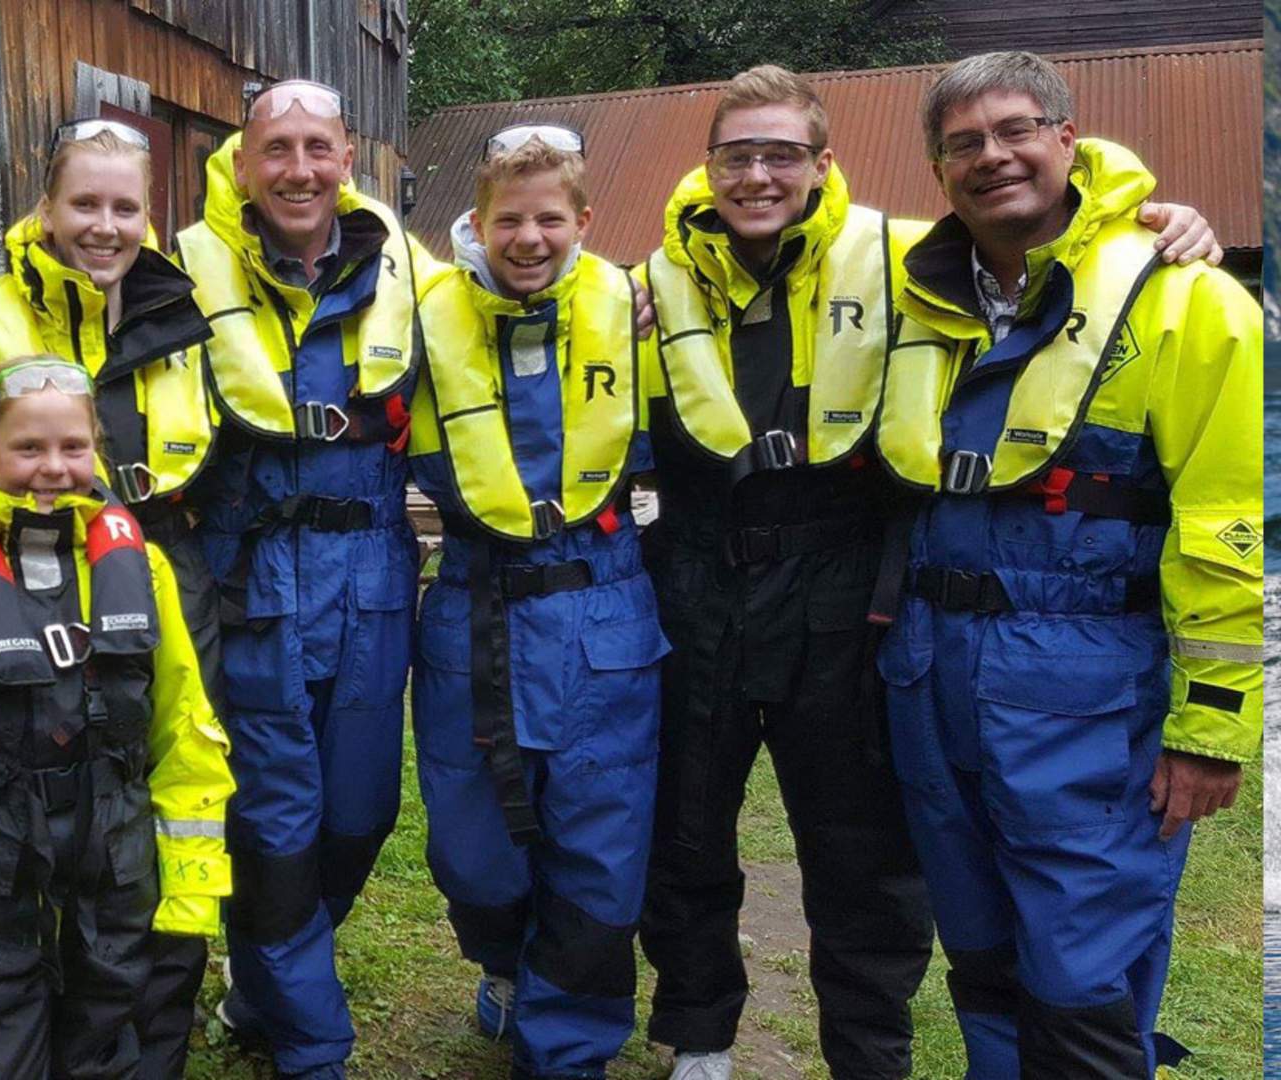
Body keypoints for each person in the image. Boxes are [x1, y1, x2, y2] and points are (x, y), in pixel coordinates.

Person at [632, 65, 1223, 1080]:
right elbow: (520, 284)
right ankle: (700, 1040)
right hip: (698, 584)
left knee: (865, 860)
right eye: (739, 155)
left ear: (825, 165)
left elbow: (1039, 232)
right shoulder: (645, 286)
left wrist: (1162, 216)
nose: (761, 175)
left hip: (848, 592)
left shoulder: (908, 259)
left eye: (784, 154)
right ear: (711, 168)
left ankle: (871, 1059)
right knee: (683, 837)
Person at [868, 51, 1260, 1077]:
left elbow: (1226, 524)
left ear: (1068, 141)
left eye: (1015, 130)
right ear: (938, 171)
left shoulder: (1186, 301)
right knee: (985, 962)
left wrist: (1212, 727)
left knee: (1083, 983)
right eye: (963, 144)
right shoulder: (915, 300)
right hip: (933, 685)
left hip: (1090, 698)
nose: (991, 157)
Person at [0, 356, 234, 1078]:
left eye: (72, 447)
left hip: (117, 880)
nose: (52, 468)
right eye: (28, 448)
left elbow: (185, 733)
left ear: (98, 450)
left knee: (110, 1051)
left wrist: (190, 894)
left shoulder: (145, 571)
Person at [171, 78, 433, 1079]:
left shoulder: (406, 266)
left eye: (317, 148)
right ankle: (314, 1046)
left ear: (346, 159)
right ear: (242, 164)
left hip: (371, 573)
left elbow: (500, 309)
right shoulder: (184, 269)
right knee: (277, 826)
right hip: (253, 580)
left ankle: (260, 978)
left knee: (361, 815)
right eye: (276, 149)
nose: (298, 170)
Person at [0, 117, 219, 1080]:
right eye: (84, 204)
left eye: (124, 207)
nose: (103, 227)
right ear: (46, 205)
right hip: (20, 580)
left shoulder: (183, 309)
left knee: (149, 814)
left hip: (160, 575)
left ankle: (145, 1048)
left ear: (151, 217)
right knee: (30, 824)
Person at [408, 127, 665, 1079]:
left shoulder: (642, 307)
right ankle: (504, 964)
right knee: (473, 852)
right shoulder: (425, 318)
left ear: (584, 222)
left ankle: (569, 1049)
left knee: (598, 851)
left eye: (549, 218)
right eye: (507, 219)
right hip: (473, 615)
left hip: (605, 611)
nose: (528, 238)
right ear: (475, 225)